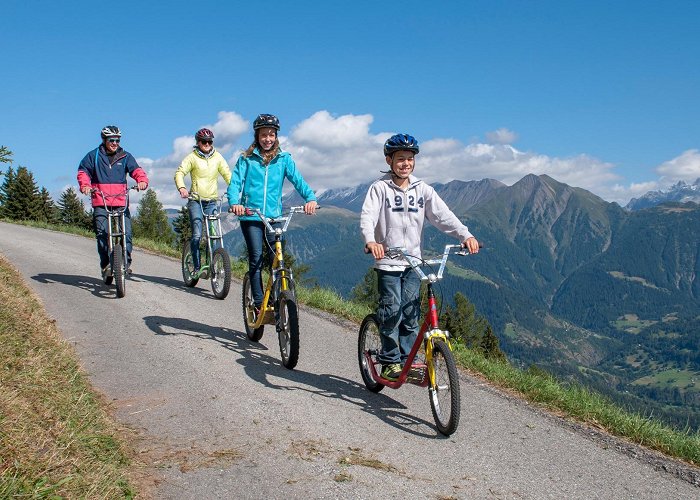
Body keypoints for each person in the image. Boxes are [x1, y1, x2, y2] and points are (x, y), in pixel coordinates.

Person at [360, 133, 480, 380]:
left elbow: (443, 216)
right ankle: (390, 362)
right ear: (389, 161)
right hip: (388, 261)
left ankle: (409, 360)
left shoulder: (422, 190)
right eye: (400, 159)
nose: (406, 164)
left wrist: (465, 235)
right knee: (392, 311)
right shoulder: (379, 188)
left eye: (410, 159)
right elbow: (368, 216)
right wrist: (371, 241)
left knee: (412, 314)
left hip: (414, 263)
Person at [227, 113, 317, 314]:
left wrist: (310, 198)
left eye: (271, 134)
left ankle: (279, 296)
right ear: (257, 136)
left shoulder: (284, 159)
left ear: (276, 136)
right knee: (256, 257)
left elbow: (298, 181)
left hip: (274, 217)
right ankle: (259, 303)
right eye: (263, 135)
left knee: (277, 257)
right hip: (251, 215)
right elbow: (235, 183)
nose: (268, 139)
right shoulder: (247, 159)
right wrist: (235, 202)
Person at [78, 125, 148, 278]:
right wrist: (85, 185)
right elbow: (83, 171)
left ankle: (124, 264)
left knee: (127, 234)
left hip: (121, 201)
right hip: (101, 202)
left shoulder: (125, 156)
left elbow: (136, 170)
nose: (115, 143)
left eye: (117, 140)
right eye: (112, 140)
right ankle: (106, 266)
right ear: (104, 140)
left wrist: (142, 180)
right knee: (102, 235)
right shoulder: (93, 156)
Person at [174, 128, 232, 273]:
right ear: (198, 142)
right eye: (203, 141)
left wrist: (234, 190)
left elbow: (227, 174)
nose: (207, 144)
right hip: (196, 201)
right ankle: (196, 265)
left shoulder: (218, 157)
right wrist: (182, 188)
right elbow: (180, 172)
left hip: (212, 201)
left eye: (209, 141)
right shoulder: (192, 157)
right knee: (197, 235)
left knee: (214, 235)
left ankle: (214, 264)